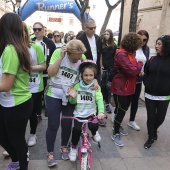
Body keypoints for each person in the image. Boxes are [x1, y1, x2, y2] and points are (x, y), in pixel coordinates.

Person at [45, 39, 87, 167]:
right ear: (68, 53)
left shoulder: (82, 57)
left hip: (70, 95)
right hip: (53, 93)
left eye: (78, 58)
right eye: (74, 59)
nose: (77, 61)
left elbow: (87, 75)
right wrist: (61, 58)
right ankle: (50, 152)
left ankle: (64, 146)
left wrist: (93, 83)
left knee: (67, 123)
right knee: (53, 124)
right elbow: (50, 72)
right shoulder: (59, 52)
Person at [0, 13, 33, 170]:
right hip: (8, 102)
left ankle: (21, 164)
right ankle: (16, 161)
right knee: (4, 137)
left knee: (17, 140)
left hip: (17, 103)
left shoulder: (11, 50)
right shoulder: (14, 47)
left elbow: (6, 85)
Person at [68, 60, 105, 162]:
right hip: (78, 114)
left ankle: (94, 132)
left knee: (94, 124)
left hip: (90, 113)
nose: (88, 78)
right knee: (76, 130)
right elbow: (72, 102)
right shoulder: (77, 86)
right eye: (85, 75)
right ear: (81, 75)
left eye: (91, 75)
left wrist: (101, 111)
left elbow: (99, 99)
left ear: (94, 75)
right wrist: (73, 97)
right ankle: (74, 147)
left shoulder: (96, 87)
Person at [111, 32, 143, 147]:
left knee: (123, 109)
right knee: (121, 109)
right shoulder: (121, 54)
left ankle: (117, 126)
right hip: (121, 87)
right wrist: (140, 64)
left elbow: (133, 70)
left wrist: (136, 69)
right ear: (133, 44)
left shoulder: (129, 54)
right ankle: (115, 133)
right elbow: (131, 71)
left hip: (128, 87)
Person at [143, 35, 170, 149]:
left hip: (164, 96)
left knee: (160, 117)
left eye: (159, 44)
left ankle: (154, 129)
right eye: (156, 44)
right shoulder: (152, 59)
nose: (156, 46)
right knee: (151, 117)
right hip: (149, 95)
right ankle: (150, 137)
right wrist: (147, 82)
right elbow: (146, 73)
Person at [23, 22, 46, 147]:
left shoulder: (36, 47)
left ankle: (32, 134)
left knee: (31, 111)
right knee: (21, 113)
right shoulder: (14, 48)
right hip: (20, 85)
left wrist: (28, 68)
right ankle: (18, 139)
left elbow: (43, 66)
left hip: (36, 85)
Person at [32, 22, 56, 118]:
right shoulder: (30, 41)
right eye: (35, 29)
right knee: (35, 94)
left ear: (43, 30)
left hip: (46, 73)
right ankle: (37, 113)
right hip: (33, 73)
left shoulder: (49, 42)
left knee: (46, 93)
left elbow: (54, 57)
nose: (37, 31)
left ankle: (47, 109)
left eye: (39, 29)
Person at [128, 30, 150, 131]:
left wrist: (144, 73)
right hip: (129, 79)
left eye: (145, 40)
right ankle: (117, 117)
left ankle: (132, 120)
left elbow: (146, 63)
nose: (142, 42)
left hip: (139, 80)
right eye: (140, 39)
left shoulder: (146, 49)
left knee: (135, 101)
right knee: (126, 101)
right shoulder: (131, 49)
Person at [100, 29, 117, 114]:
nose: (106, 35)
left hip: (110, 69)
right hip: (103, 69)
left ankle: (107, 104)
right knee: (102, 86)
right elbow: (100, 56)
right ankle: (102, 102)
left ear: (110, 35)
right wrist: (101, 66)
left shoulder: (114, 46)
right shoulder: (101, 45)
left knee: (108, 87)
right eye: (105, 34)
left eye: (108, 34)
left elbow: (115, 58)